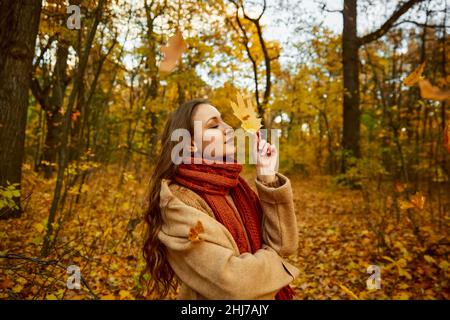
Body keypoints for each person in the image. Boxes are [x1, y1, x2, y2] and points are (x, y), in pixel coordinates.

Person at [142, 98, 299, 299]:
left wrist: (267, 177)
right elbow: (234, 285)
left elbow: (285, 245)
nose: (228, 129)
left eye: (224, 121)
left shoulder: (234, 187)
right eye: (214, 125)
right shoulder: (178, 202)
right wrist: (276, 262)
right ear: (189, 144)